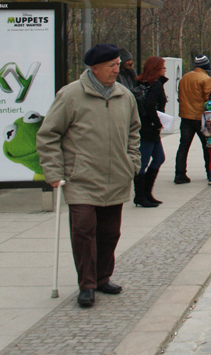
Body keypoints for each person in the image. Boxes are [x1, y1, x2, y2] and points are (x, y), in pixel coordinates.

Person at [36, 43, 140, 308]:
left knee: (109, 233)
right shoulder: (71, 95)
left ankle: (103, 277)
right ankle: (87, 284)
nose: (116, 70)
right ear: (94, 68)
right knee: (83, 230)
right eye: (111, 66)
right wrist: (53, 172)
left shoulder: (124, 96)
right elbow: (48, 135)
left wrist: (132, 163)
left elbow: (133, 132)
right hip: (81, 179)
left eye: (118, 64)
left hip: (116, 176)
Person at [133, 56, 168, 207]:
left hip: (146, 127)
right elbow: (149, 105)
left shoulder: (141, 82)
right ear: (157, 69)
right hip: (149, 129)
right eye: (163, 67)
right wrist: (157, 122)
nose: (165, 70)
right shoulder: (156, 85)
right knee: (143, 161)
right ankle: (141, 195)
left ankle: (147, 193)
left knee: (159, 157)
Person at [175, 54, 211, 184]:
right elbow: (208, 100)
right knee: (207, 146)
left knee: (183, 146)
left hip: (185, 116)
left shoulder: (185, 77)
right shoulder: (205, 79)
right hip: (200, 117)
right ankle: (210, 171)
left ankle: (180, 174)